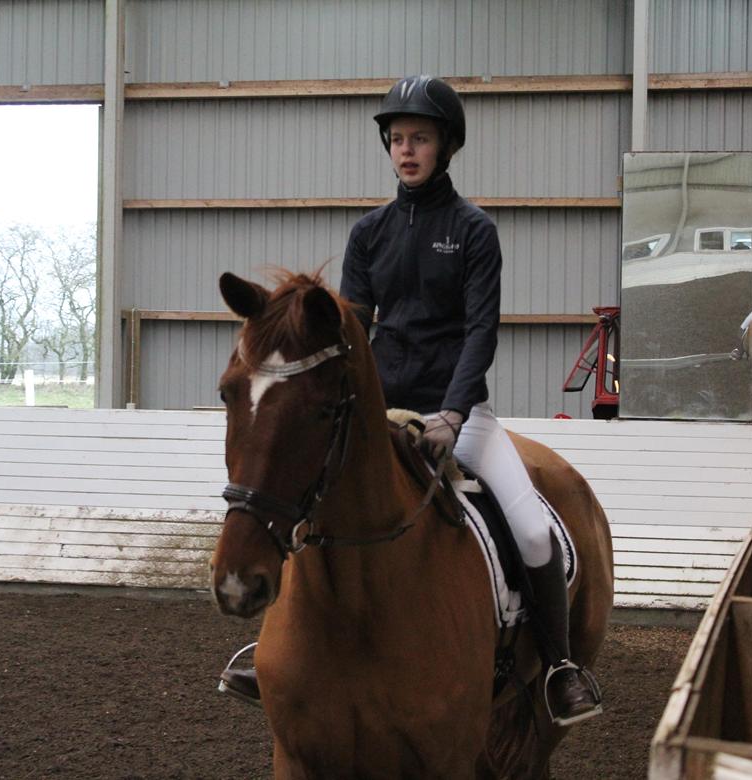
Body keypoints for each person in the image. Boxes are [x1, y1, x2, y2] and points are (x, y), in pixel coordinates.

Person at [219, 75, 600, 726]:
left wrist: (453, 414)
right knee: (315, 503)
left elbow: (481, 329)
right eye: (396, 140)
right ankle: (277, 647)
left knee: (533, 528)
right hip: (385, 409)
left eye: (419, 138)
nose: (406, 150)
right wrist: (358, 407)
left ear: (446, 146)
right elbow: (355, 333)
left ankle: (560, 664)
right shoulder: (369, 233)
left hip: (461, 413)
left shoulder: (475, 230)